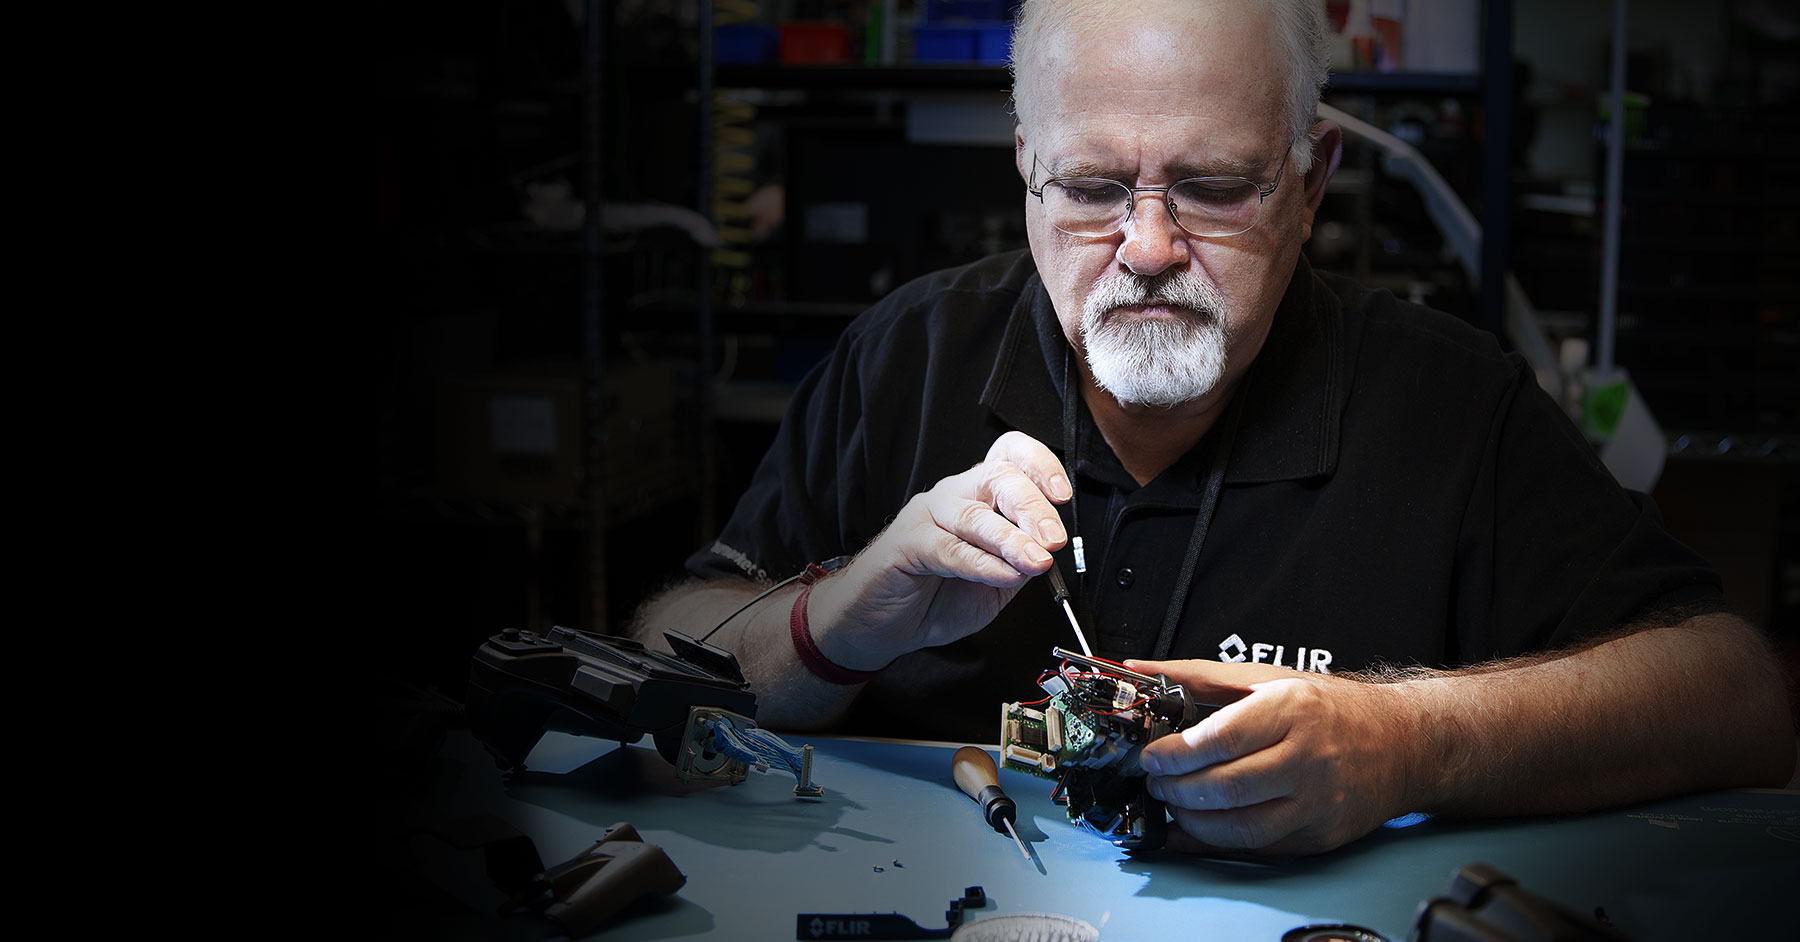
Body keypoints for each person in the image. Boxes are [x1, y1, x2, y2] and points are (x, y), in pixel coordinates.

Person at [631, 0, 1795, 855]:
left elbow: (1739, 698)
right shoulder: (907, 355)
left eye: (1217, 186)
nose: (1145, 248)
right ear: (1026, 170)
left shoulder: (1448, 404)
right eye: (1091, 188)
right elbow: (662, 647)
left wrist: (1404, 742)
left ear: (1309, 180)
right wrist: (838, 623)